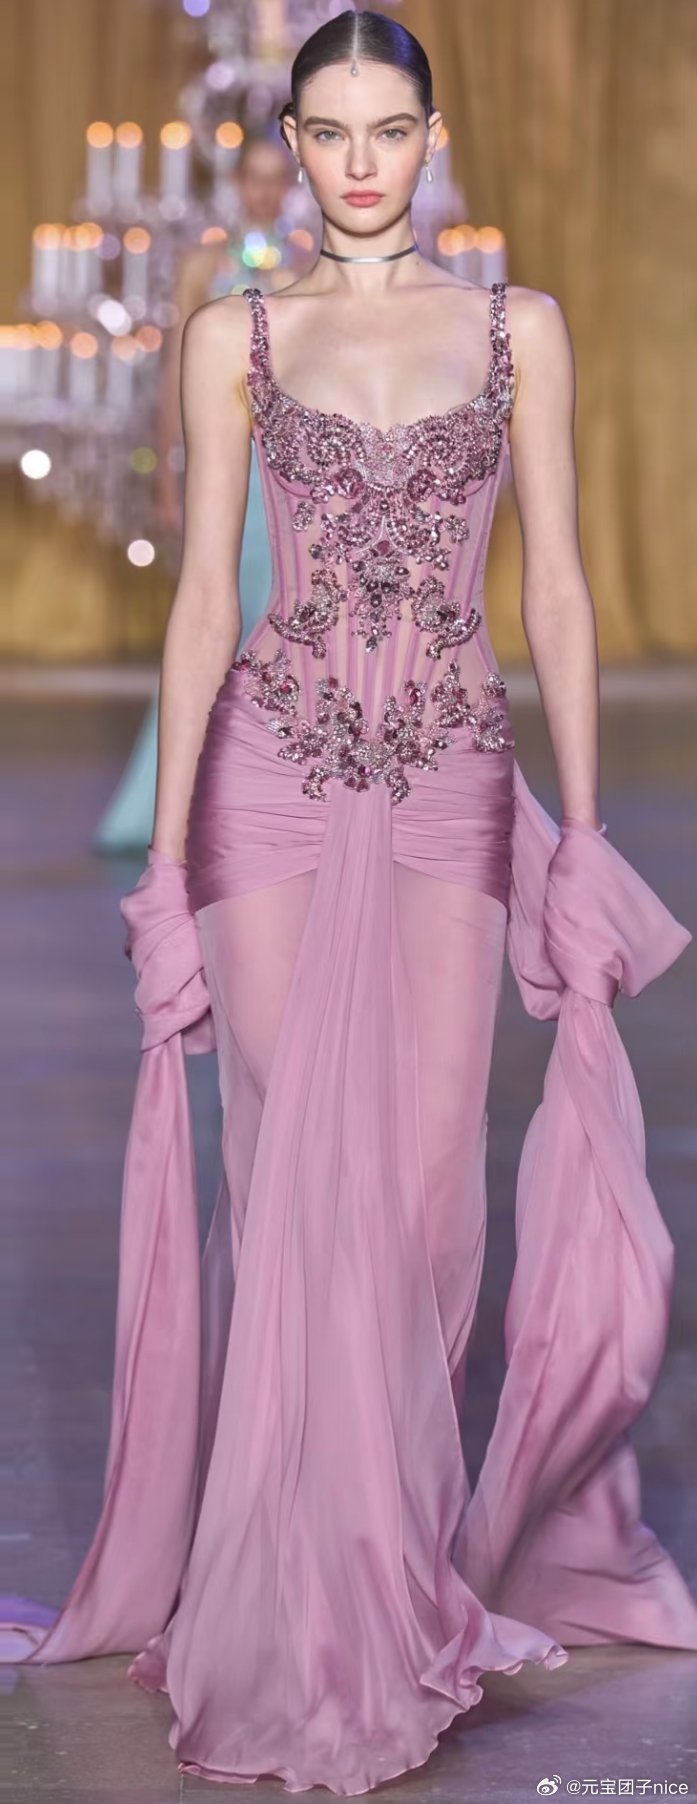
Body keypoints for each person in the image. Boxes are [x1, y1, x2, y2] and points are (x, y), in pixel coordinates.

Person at [4, 8, 697, 1797]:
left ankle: (388, 1572)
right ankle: (304, 1611)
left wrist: (582, 829)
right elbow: (201, 609)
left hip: (452, 782)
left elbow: (557, 585)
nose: (361, 160)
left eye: (390, 129)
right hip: (270, 785)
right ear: (293, 145)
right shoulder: (231, 334)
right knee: (287, 1191)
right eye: (330, 131)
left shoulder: (517, 328)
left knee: (418, 1206)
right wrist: (166, 865)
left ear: (430, 137)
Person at [93, 131, 302, 853]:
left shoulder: (305, 265)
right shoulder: (202, 267)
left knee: (281, 623)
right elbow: (177, 369)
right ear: (237, 185)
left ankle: (267, 797)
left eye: (277, 177)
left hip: (285, 473)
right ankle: (176, 798)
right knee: (208, 621)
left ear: (288, 187)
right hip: (219, 467)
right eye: (255, 177)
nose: (265, 190)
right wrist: (166, 469)